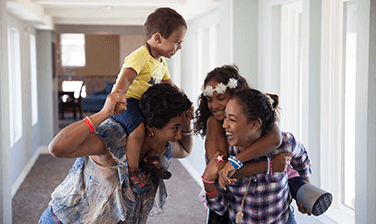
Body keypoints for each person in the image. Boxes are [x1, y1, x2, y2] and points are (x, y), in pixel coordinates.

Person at [38, 84, 194, 224]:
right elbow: (57, 148)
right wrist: (103, 113)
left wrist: (186, 120)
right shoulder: (114, 139)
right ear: (153, 126)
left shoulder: (158, 150)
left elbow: (186, 150)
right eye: (175, 128)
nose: (179, 136)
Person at [194, 65, 292, 223]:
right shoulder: (214, 122)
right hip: (226, 199)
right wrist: (268, 165)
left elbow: (275, 139)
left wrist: (235, 162)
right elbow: (221, 171)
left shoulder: (256, 112)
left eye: (220, 98)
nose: (213, 105)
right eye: (209, 99)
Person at [201, 88, 312, 223]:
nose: (224, 125)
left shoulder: (285, 143)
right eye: (225, 117)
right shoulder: (224, 155)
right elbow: (220, 209)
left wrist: (306, 190)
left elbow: (302, 159)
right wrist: (208, 183)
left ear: (254, 124)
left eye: (232, 119)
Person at [110, 7, 188, 194]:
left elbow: (169, 85)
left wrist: (185, 103)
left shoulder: (160, 61)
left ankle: (151, 157)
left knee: (158, 125)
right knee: (138, 131)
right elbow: (126, 78)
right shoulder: (140, 56)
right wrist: (118, 97)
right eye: (177, 42)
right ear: (158, 38)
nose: (180, 47)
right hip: (129, 102)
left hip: (144, 104)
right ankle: (133, 171)